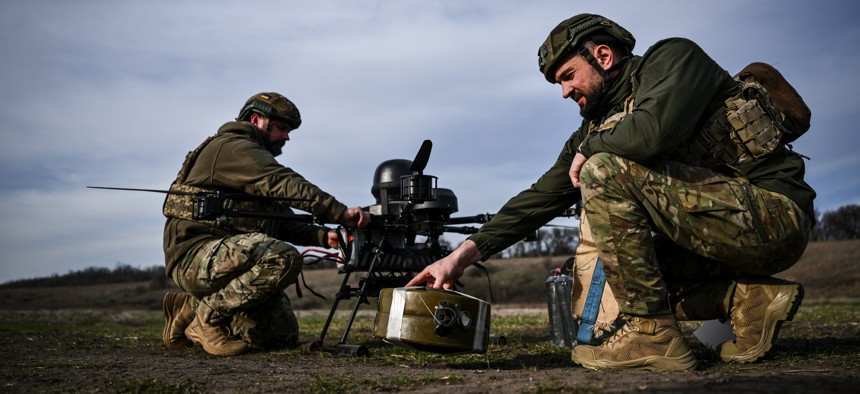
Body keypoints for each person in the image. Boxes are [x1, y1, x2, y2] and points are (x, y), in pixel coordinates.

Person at [407, 14, 815, 371]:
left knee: (602, 171)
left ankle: (651, 334)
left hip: (773, 216)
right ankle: (747, 302)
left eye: (568, 76)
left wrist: (590, 151)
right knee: (610, 273)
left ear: (603, 57)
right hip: (712, 235)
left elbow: (652, 131)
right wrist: (459, 258)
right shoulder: (593, 132)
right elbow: (537, 200)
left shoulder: (675, 59)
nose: (564, 92)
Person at [160, 92, 370, 356]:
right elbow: (284, 183)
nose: (287, 136)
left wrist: (322, 236)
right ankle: (206, 319)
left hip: (224, 261)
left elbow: (280, 221)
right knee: (282, 258)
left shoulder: (251, 164)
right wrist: (338, 213)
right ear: (257, 120)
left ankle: (187, 308)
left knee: (278, 336)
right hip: (195, 256)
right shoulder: (234, 148)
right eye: (282, 128)